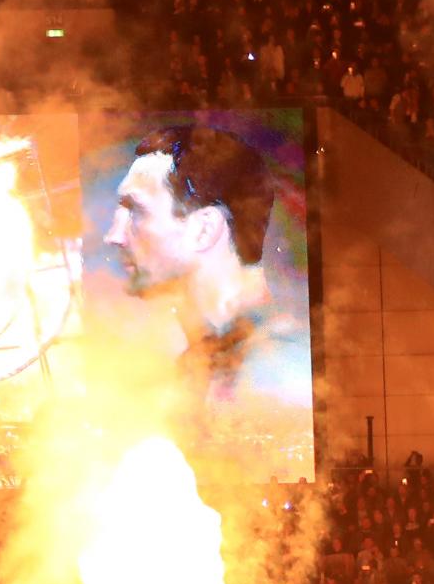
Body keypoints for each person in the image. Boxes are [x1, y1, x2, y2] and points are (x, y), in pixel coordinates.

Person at [100, 124, 303, 408]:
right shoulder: (201, 365)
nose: (114, 236)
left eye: (136, 210)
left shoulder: (278, 374)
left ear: (204, 229)